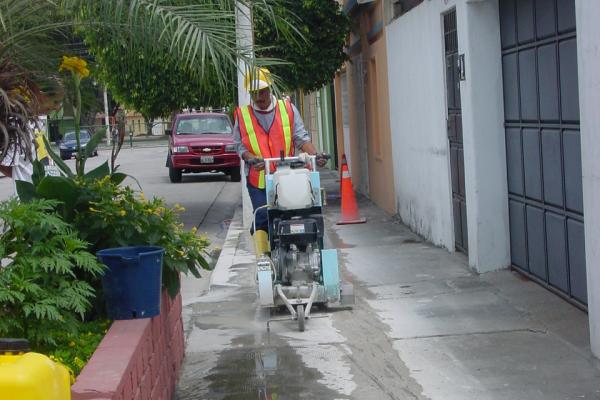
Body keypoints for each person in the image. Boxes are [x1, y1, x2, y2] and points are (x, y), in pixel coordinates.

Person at [233, 67, 327, 256]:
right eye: (254, 93)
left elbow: (301, 138)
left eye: (262, 92)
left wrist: (315, 156)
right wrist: (251, 159)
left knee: (300, 211)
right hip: (258, 178)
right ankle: (264, 261)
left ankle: (305, 250)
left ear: (270, 89)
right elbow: (239, 146)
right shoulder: (242, 115)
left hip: (288, 175)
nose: (259, 97)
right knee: (261, 217)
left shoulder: (287, 109)